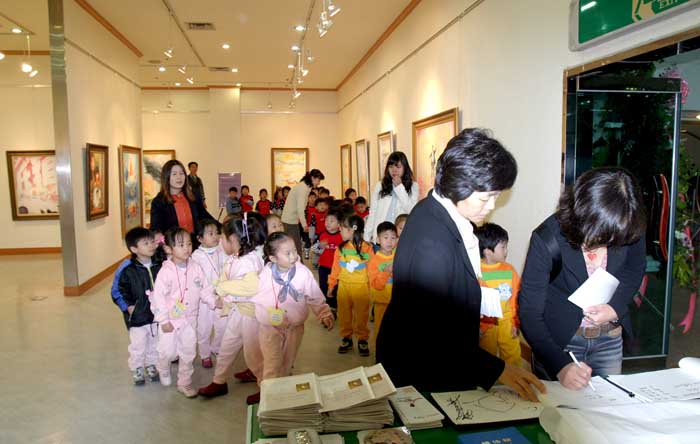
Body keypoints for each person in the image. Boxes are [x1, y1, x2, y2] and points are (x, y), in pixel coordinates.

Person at [376, 128, 544, 400]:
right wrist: (498, 369)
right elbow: (432, 335)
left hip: (437, 358)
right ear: (458, 185)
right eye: (485, 198)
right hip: (421, 371)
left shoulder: (435, 209)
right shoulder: (432, 243)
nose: (491, 206)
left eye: (496, 196)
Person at [519, 167, 646, 390]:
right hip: (560, 342)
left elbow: (635, 268)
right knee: (560, 409)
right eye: (599, 235)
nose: (606, 243)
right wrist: (560, 365)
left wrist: (615, 307)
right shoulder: (547, 238)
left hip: (609, 337)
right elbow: (529, 311)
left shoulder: (625, 221)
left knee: (608, 403)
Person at [198, 215, 267, 404]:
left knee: (253, 355)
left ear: (233, 239)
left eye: (222, 237)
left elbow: (250, 287)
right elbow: (225, 278)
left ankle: (266, 387)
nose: (220, 241)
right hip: (238, 312)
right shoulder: (235, 257)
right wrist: (217, 289)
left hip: (250, 315)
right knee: (226, 348)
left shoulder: (249, 261)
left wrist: (222, 289)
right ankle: (219, 381)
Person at [150, 227, 222, 398]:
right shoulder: (165, 271)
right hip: (170, 319)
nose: (187, 248)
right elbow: (158, 297)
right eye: (181, 245)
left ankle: (184, 382)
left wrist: (214, 301)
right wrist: (163, 320)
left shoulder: (196, 267)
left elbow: (205, 289)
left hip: (190, 318)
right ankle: (163, 368)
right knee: (167, 351)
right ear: (168, 249)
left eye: (189, 244)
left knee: (188, 351)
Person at [253, 232, 334, 381]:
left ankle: (283, 386)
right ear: (273, 258)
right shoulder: (264, 275)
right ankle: (268, 390)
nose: (294, 256)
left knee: (287, 363)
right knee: (272, 363)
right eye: (287, 253)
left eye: (295, 251)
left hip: (294, 329)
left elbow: (314, 295)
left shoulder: (303, 273)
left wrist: (324, 313)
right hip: (270, 328)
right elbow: (253, 294)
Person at [118, 227, 163, 385]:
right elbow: (121, 290)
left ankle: (151, 364)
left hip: (156, 315)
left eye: (152, 241)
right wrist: (129, 306)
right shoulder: (128, 270)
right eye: (146, 243)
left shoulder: (160, 266)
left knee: (154, 342)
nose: (151, 245)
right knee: (138, 345)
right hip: (137, 316)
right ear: (134, 249)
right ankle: (137, 367)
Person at [475, 223, 522, 367]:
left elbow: (517, 298)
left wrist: (516, 323)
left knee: (512, 357)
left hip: (507, 322)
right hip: (486, 325)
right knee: (486, 359)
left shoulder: (509, 270)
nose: (506, 251)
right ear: (488, 251)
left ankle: (515, 380)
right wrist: (479, 327)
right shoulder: (476, 271)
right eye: (503, 247)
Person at [328, 214, 375, 356]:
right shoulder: (341, 248)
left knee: (361, 315)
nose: (339, 231)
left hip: (361, 288)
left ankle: (362, 339)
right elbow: (335, 268)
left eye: (342, 228)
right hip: (343, 287)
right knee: (344, 314)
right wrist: (331, 285)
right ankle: (346, 338)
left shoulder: (367, 248)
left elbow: (372, 269)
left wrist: (374, 287)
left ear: (351, 230)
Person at [191, 219, 227, 369]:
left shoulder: (221, 250)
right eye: (210, 234)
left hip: (220, 296)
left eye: (216, 233)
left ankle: (216, 347)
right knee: (203, 329)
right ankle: (205, 354)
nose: (215, 236)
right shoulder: (196, 257)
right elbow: (197, 283)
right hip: (203, 300)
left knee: (223, 325)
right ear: (200, 238)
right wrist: (210, 297)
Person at [363, 152, 419, 243]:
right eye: (391, 167)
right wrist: (366, 238)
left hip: (400, 239)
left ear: (405, 167)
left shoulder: (413, 186)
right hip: (380, 238)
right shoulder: (380, 185)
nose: (394, 170)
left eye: (398, 167)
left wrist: (399, 187)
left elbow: (411, 211)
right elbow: (373, 212)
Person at [150, 160, 213, 236]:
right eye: (174, 174)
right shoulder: (159, 202)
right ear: (166, 177)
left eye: (181, 173)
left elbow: (205, 216)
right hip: (172, 243)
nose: (179, 177)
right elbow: (156, 230)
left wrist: (223, 228)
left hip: (194, 242)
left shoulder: (193, 197)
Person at [281, 169, 325, 256]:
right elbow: (300, 208)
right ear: (313, 178)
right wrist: (304, 224)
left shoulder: (306, 187)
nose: (319, 183)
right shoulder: (303, 188)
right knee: (296, 247)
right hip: (289, 221)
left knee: (295, 246)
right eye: (318, 180)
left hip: (292, 220)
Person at [367, 221, 397, 342]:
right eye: (386, 237)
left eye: (393, 238)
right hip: (381, 302)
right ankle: (378, 351)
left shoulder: (398, 256)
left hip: (396, 302)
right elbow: (376, 285)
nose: (390, 241)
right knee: (380, 330)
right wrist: (386, 271)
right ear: (378, 240)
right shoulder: (374, 261)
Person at [316, 209, 343, 316]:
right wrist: (319, 246)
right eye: (326, 220)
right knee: (323, 287)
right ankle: (326, 308)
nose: (328, 223)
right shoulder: (322, 235)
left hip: (336, 268)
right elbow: (315, 250)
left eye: (331, 221)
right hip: (323, 266)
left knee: (335, 288)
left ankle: (334, 307)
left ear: (339, 224)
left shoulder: (342, 236)